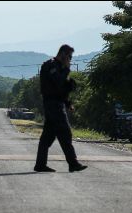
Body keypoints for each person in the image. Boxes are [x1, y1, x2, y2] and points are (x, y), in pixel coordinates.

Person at [34, 44, 87, 173]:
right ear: (63, 54)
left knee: (47, 137)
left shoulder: (60, 67)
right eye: (69, 56)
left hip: (56, 103)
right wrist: (67, 70)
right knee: (65, 133)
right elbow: (57, 82)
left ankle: (40, 164)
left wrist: (68, 102)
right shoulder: (51, 65)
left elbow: (61, 89)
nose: (70, 59)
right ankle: (73, 163)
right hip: (53, 104)